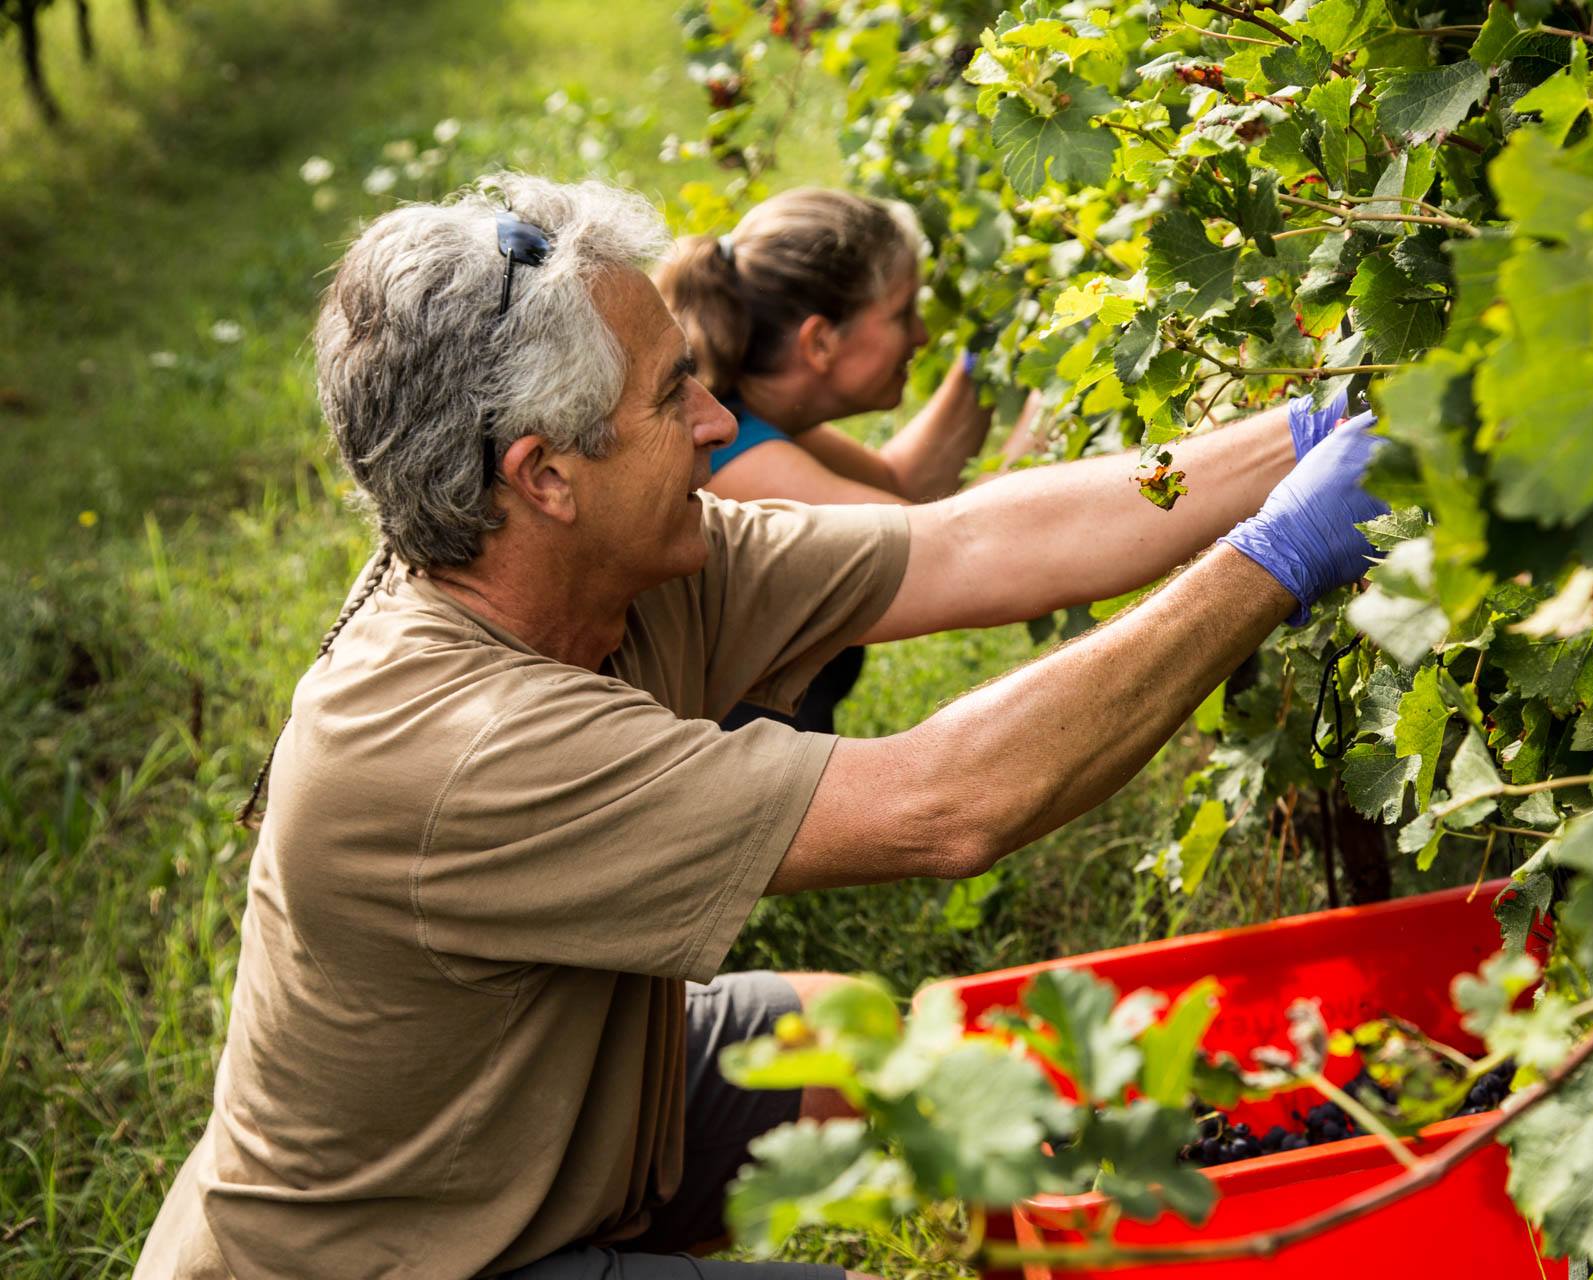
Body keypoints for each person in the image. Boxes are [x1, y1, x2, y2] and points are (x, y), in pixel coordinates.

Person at [134, 174, 1383, 1280]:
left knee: (880, 1051)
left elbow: (968, 540)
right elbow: (946, 803)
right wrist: (1273, 558)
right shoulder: (460, 745)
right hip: (405, 1258)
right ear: (545, 475)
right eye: (671, 396)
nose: (720, 424)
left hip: (533, 1125)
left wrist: (1306, 438)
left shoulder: (621, 569)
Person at [655, 188, 1042, 733]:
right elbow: (952, 549)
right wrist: (1054, 407)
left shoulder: (735, 414)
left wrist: (988, 355)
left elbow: (898, 483)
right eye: (902, 313)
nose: (922, 334)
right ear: (820, 343)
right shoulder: (732, 463)